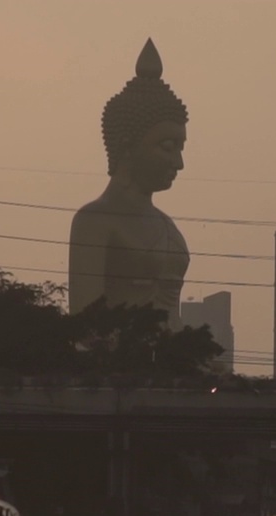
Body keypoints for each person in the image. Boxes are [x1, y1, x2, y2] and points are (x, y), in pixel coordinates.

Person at [68, 39, 191, 328]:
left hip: (174, 365)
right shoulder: (94, 221)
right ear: (126, 146)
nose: (178, 162)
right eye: (167, 146)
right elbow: (85, 325)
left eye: (181, 147)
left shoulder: (167, 226)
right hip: (120, 366)